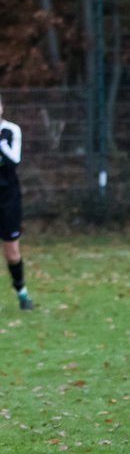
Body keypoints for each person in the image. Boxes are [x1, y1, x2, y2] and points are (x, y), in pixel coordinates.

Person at [0, 94, 32, 311]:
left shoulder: (11, 131)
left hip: (8, 197)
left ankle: (21, 292)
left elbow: (14, 160)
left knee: (12, 252)